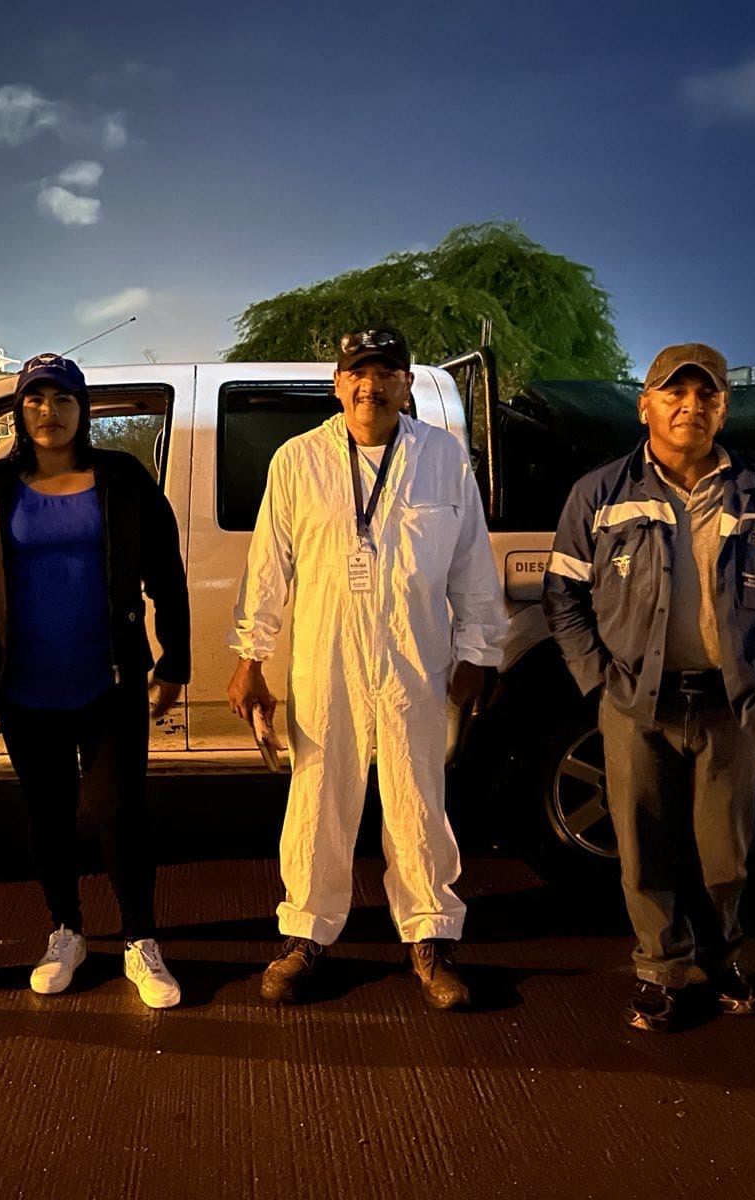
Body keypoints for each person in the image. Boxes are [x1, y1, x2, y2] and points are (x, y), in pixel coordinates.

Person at [542, 342, 755, 1033]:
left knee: (723, 853)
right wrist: (600, 679)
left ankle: (722, 960)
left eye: (706, 395)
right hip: (637, 703)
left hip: (734, 705)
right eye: (674, 393)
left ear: (723, 410)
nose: (690, 406)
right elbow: (562, 596)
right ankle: (660, 971)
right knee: (643, 849)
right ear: (645, 405)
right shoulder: (600, 494)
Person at [226, 326, 505, 1010]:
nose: (370, 386)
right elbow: (267, 568)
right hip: (326, 659)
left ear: (406, 385)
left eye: (385, 374)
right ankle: (305, 933)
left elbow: (472, 565)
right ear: (337, 384)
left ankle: (430, 936)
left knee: (417, 797)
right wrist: (250, 658)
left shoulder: (444, 458)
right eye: (358, 373)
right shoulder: (298, 461)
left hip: (417, 657)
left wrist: (478, 652)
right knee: (319, 794)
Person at [0, 353, 190, 1010]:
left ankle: (140, 939)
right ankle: (67, 931)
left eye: (62, 399)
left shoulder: (122, 478)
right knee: (48, 812)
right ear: (19, 410)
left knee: (118, 811)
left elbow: (165, 573)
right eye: (35, 399)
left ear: (82, 410)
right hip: (23, 682)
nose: (48, 412)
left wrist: (175, 660)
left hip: (108, 678)